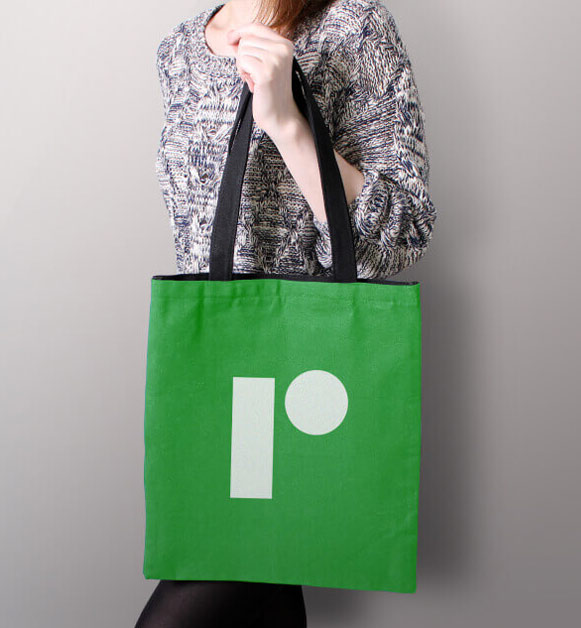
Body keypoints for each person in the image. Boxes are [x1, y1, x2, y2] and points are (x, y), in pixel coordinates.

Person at [136, 0, 434, 625]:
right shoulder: (179, 51)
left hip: (309, 373)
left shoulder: (350, 25)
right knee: (265, 582)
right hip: (222, 383)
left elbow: (400, 234)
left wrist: (287, 122)